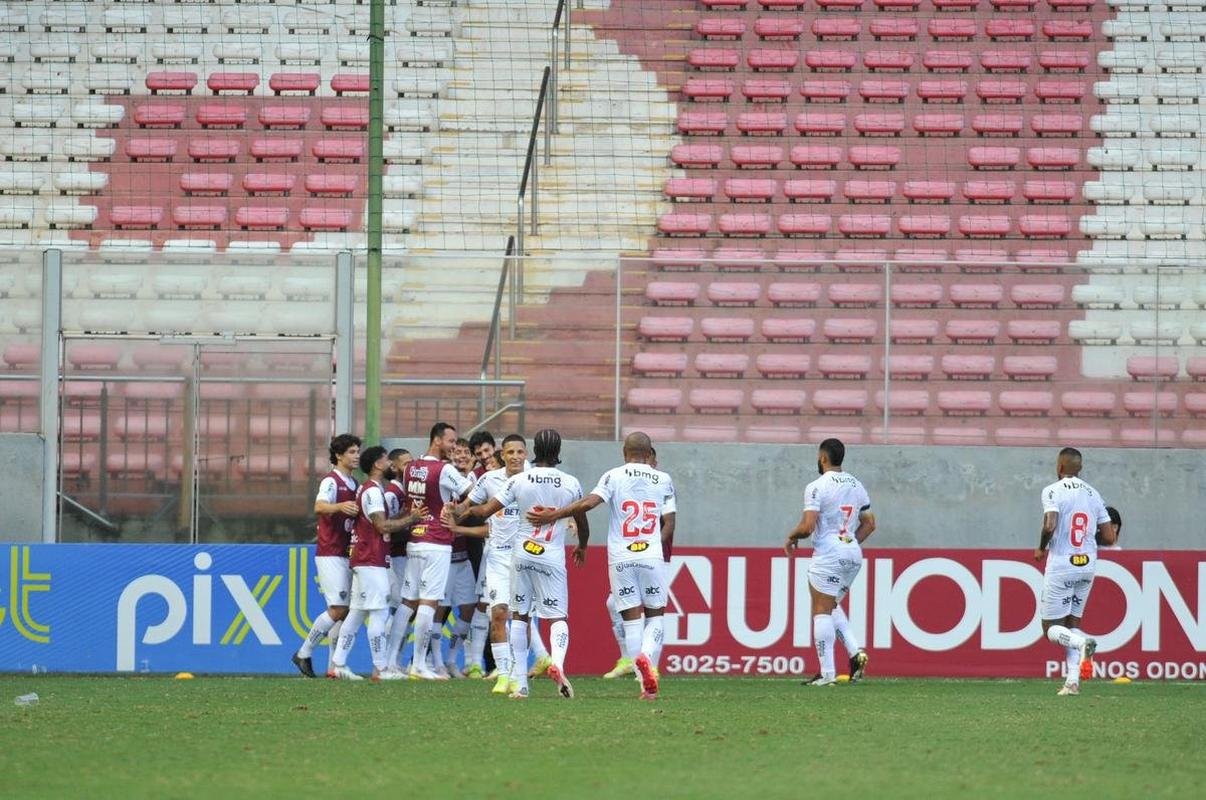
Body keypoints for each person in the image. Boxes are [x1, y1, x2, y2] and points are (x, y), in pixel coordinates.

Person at [528, 432, 674, 700]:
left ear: (624, 452)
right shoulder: (663, 479)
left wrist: (555, 515)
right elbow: (669, 519)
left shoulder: (613, 476)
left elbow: (588, 503)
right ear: (649, 453)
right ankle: (646, 659)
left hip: (621, 557)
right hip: (651, 555)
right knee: (655, 616)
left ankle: (643, 683)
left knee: (631, 619)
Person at [459, 429, 588, 700]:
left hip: (522, 555)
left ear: (533, 451)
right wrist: (582, 545)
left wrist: (464, 511)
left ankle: (520, 685)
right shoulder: (571, 482)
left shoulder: (519, 480)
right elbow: (582, 521)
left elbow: (485, 510)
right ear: (558, 451)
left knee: (519, 617)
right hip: (551, 556)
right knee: (557, 617)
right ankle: (557, 664)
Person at [784, 438, 875, 687]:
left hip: (828, 554)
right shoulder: (857, 485)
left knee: (821, 610)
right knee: (831, 605)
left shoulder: (816, 487)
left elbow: (807, 527)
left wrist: (791, 536)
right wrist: (847, 544)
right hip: (852, 553)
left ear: (823, 458)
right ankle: (856, 653)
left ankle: (826, 674)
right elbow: (870, 523)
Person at [329, 446, 426, 680]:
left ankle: (338, 665)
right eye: (385, 459)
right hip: (371, 559)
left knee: (357, 613)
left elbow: (379, 523)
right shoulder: (372, 491)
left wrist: (403, 515)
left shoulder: (370, 488)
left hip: (364, 558)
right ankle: (381, 669)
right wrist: (412, 518)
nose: (390, 463)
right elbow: (381, 526)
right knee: (380, 613)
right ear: (377, 464)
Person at [392, 422, 474, 680]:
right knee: (429, 602)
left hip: (415, 539)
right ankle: (418, 664)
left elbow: (412, 501)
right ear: (437, 440)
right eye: (451, 441)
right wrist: (457, 509)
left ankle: (391, 662)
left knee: (408, 601)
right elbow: (473, 492)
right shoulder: (444, 469)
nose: (454, 447)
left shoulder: (410, 467)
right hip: (437, 541)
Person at [447, 433, 528, 693]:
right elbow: (466, 506)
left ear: (526, 454)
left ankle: (519, 673)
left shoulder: (534, 478)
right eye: (510, 452)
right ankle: (503, 675)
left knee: (522, 618)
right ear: (501, 455)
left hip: (526, 556)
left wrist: (569, 521)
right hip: (498, 557)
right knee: (498, 614)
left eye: (519, 452)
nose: (515, 457)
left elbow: (555, 504)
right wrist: (453, 511)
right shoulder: (489, 479)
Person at [1034, 447, 1115, 696]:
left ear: (1060, 466)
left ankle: (1082, 643)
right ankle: (1072, 682)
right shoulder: (1094, 494)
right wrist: (1087, 540)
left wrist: (1041, 548)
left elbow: (1050, 524)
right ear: (1080, 468)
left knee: (1050, 629)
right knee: (1072, 623)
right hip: (1087, 565)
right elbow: (1109, 537)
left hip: (1062, 564)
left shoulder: (1052, 491)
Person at [603, 445, 676, 680]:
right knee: (616, 604)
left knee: (651, 612)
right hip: (637, 554)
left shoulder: (660, 483)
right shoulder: (631, 484)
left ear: (653, 461)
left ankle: (650, 665)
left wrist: (652, 545)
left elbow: (669, 523)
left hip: (656, 555)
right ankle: (633, 660)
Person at [293, 434, 360, 678]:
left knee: (345, 611)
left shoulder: (354, 483)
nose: (356, 456)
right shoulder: (332, 481)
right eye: (351, 452)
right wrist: (339, 506)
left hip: (346, 552)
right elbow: (319, 506)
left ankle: (334, 667)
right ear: (339, 455)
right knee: (338, 608)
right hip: (330, 552)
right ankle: (304, 652)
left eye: (358, 451)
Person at [382, 448, 414, 673]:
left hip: (404, 556)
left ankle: (394, 660)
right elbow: (386, 527)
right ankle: (387, 661)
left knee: (405, 609)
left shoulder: (406, 491)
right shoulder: (391, 494)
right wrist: (410, 522)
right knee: (401, 607)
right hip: (394, 558)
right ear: (394, 467)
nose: (411, 468)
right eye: (406, 464)